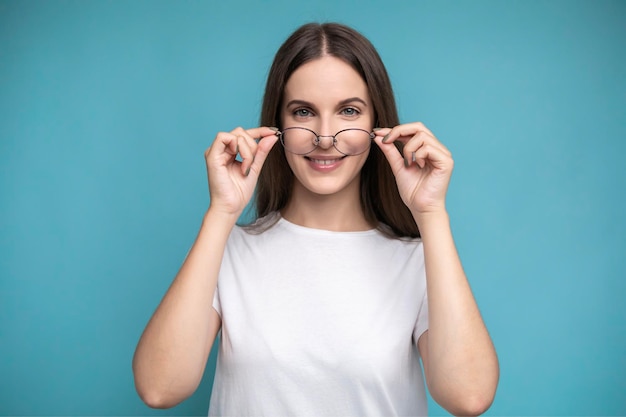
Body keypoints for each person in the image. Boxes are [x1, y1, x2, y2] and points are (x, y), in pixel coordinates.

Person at [132, 22, 499, 416]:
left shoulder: (418, 262)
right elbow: (159, 388)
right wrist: (220, 214)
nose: (325, 137)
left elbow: (468, 397)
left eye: (349, 111)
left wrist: (431, 214)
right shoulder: (230, 251)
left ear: (379, 126)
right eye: (304, 111)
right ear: (277, 126)